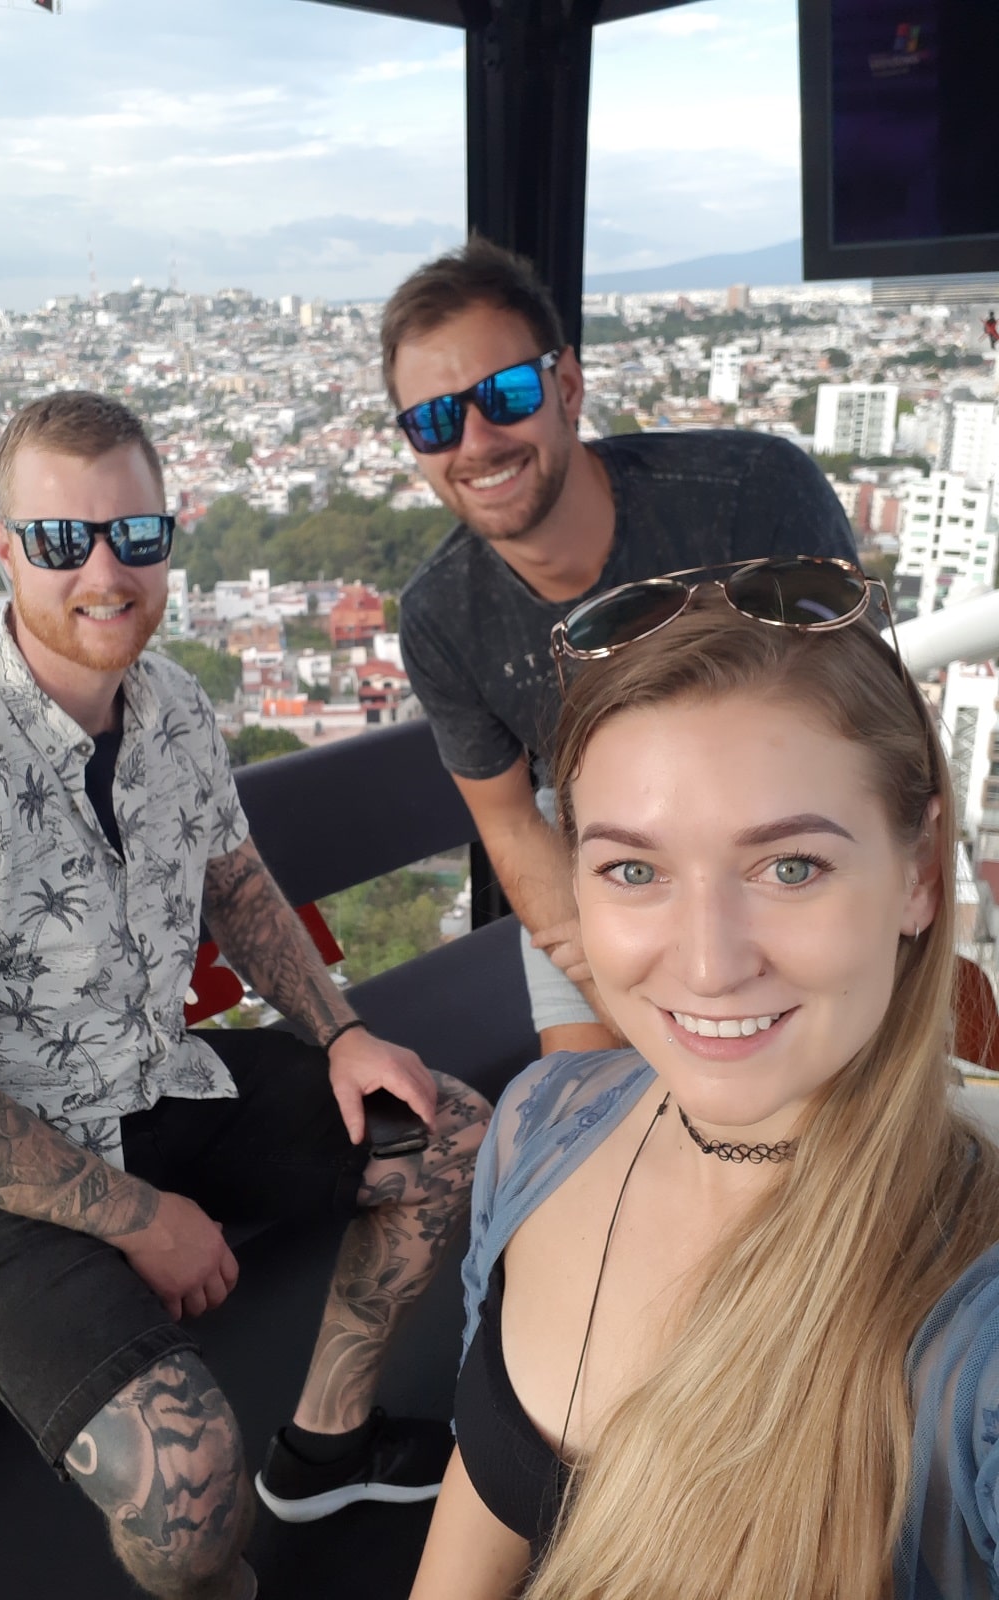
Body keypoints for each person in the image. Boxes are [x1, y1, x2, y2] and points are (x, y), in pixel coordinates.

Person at [0, 392, 490, 1600]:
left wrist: (339, 1033)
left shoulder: (170, 702)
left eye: (136, 534)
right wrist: (143, 1219)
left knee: (449, 1137)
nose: (106, 572)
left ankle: (327, 1449)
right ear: (8, 549)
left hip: (146, 1075)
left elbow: (234, 876)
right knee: (184, 1492)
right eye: (66, 541)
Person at [408, 556, 999, 1600]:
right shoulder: (538, 1130)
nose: (709, 962)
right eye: (634, 869)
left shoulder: (972, 1337)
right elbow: (487, 1480)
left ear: (915, 877)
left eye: (790, 866)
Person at [384, 237, 858, 1061]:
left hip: (777, 832)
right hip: (594, 860)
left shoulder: (750, 497)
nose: (476, 439)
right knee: (582, 1131)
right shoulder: (441, 615)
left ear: (566, 386)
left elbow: (859, 732)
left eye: (506, 394)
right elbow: (510, 825)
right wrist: (611, 978)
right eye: (434, 419)